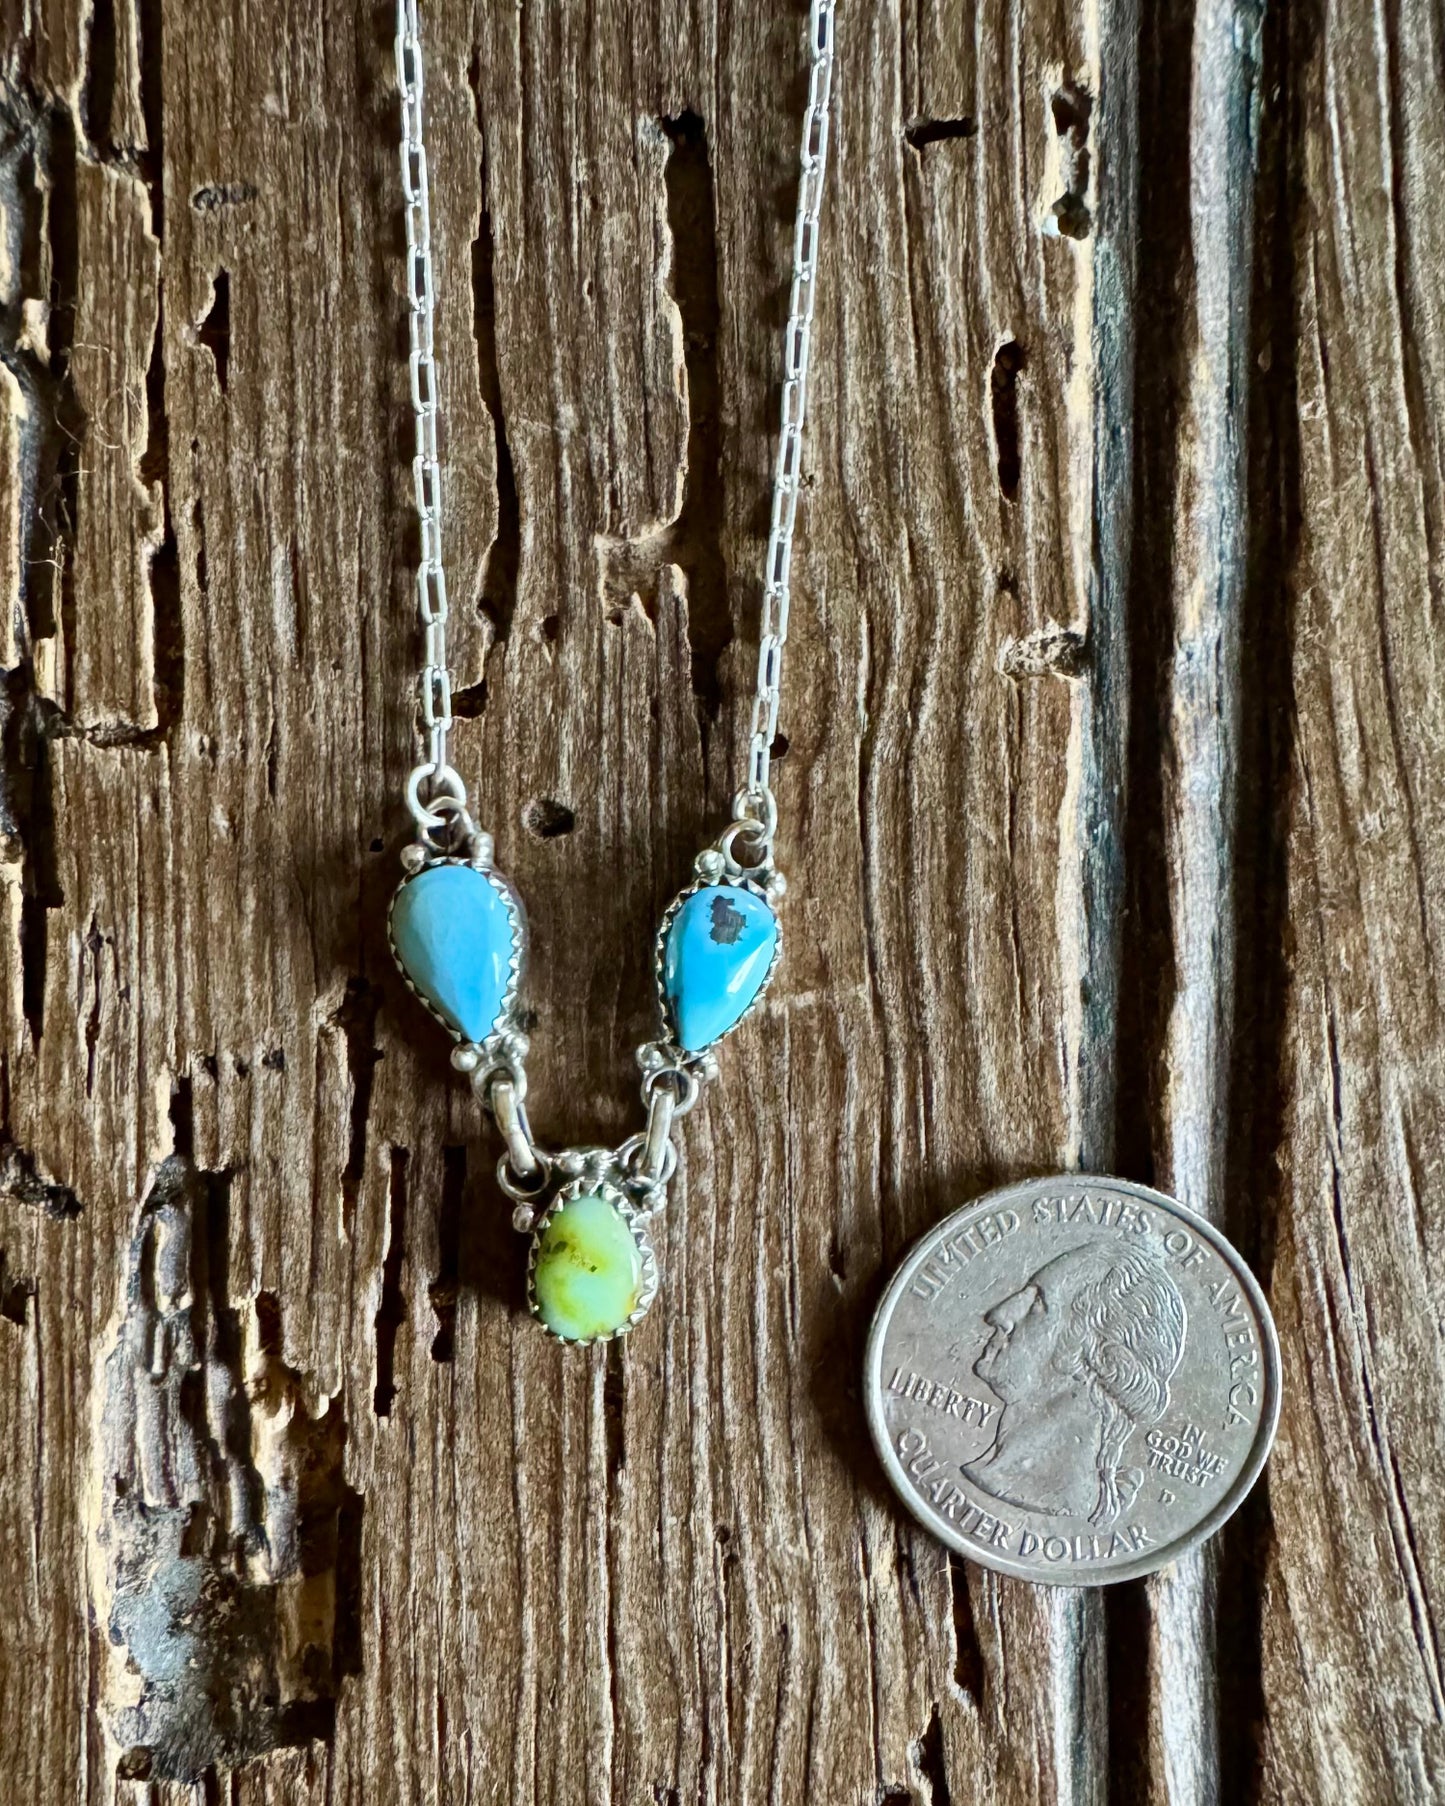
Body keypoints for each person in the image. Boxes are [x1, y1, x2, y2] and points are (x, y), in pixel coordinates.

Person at [963, 1242, 1186, 1527]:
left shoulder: (1053, 1500)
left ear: (1090, 1349)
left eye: (1038, 1303)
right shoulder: (988, 1474)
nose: (999, 1315)